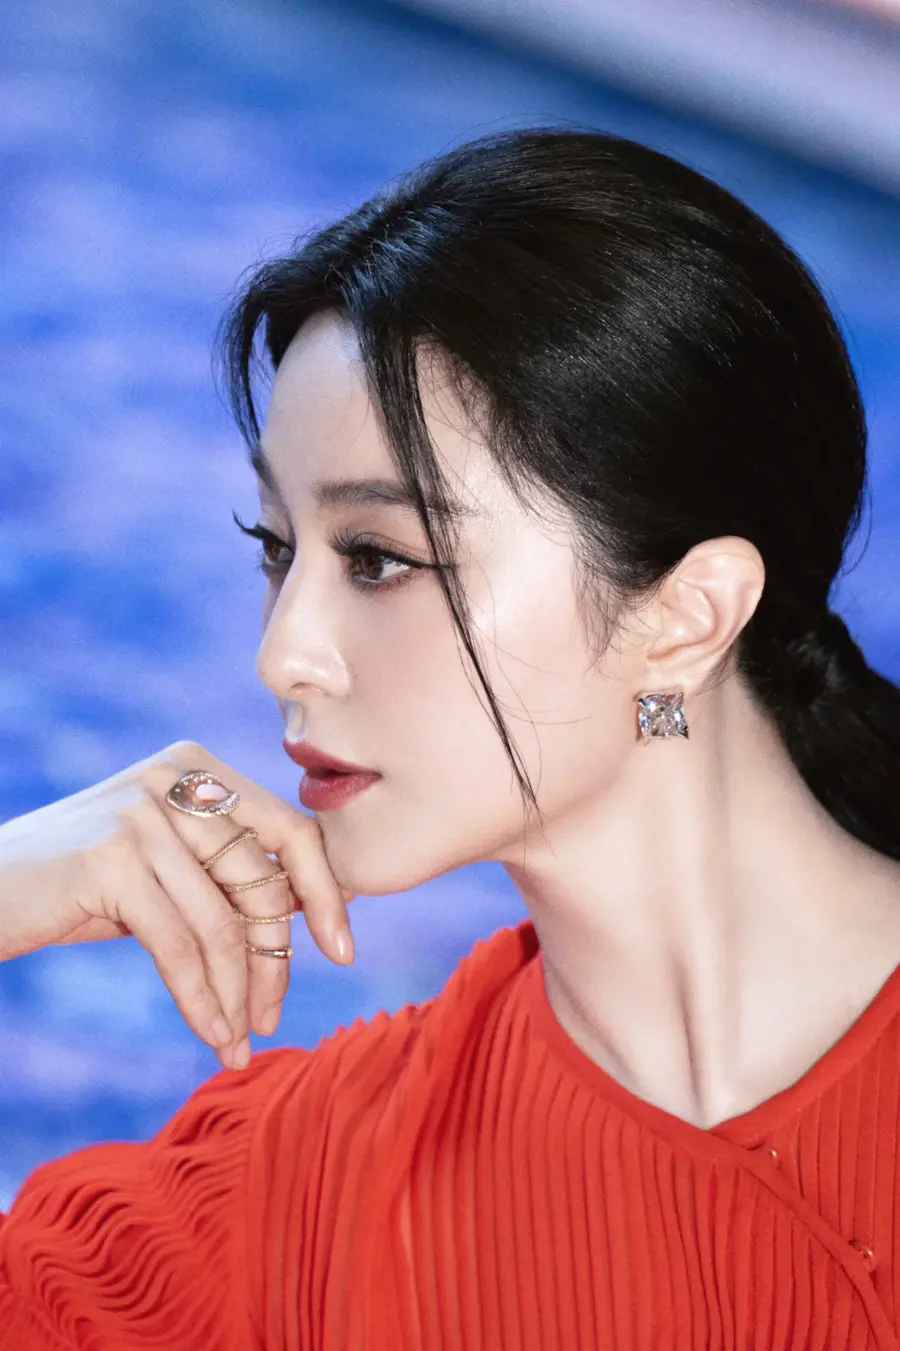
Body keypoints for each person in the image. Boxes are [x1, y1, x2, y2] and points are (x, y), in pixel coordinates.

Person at [1, 125, 899, 1350]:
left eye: (379, 558)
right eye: (276, 549)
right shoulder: (294, 1205)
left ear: (685, 616)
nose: (282, 654)